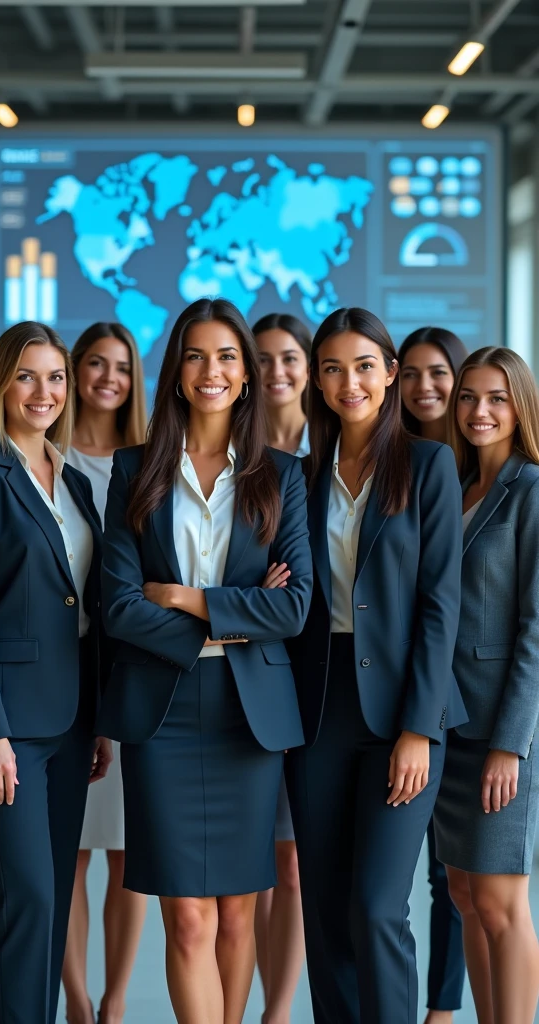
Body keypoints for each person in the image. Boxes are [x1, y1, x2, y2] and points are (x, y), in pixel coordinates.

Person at [95, 298, 313, 1024]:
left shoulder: (282, 477)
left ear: (246, 376)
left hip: (247, 719)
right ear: (177, 373)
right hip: (163, 714)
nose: (212, 370)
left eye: (226, 357)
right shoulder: (135, 470)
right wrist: (230, 616)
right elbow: (119, 605)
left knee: (239, 916)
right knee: (188, 919)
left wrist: (188, 599)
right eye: (196, 356)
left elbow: (294, 609)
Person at [286, 307, 467, 1024]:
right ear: (317, 382)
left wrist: (420, 729)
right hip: (317, 704)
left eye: (364, 365)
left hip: (403, 710)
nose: (348, 381)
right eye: (332, 368)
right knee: (326, 908)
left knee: (375, 906)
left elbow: (439, 604)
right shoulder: (298, 476)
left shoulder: (428, 466)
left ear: (390, 374)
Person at [0, 321, 112, 1024]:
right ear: (3, 384)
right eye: (28, 376)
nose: (46, 392)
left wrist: (97, 719)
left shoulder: (72, 482)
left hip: (71, 723)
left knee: (52, 900)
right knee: (26, 896)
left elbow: (86, 610)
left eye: (56, 377)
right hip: (6, 726)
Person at [434, 347, 539, 1024]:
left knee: (503, 903)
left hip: (497, 731)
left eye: (497, 398)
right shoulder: (455, 487)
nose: (479, 411)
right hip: (445, 722)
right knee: (466, 896)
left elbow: (536, 628)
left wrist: (511, 744)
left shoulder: (530, 489)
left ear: (520, 405)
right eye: (468, 396)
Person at [62, 322, 148, 1024]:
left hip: (129, 676)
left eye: (121, 366)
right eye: (95, 363)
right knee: (69, 861)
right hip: (64, 673)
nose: (108, 378)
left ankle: (116, 1005)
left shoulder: (148, 463)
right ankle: (79, 1000)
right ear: (74, 370)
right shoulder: (44, 456)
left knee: (124, 855)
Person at [398, 326, 469, 1024]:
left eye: (439, 374)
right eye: (411, 374)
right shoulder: (401, 463)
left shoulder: (480, 462)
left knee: (453, 874)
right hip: (411, 687)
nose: (425, 389)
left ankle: (442, 1010)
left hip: (468, 692)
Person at [251, 312, 312, 1024]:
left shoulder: (332, 445)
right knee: (253, 862)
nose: (276, 372)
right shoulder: (234, 450)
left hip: (316, 672)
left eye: (290, 357)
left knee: (293, 866)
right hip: (252, 667)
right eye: (261, 359)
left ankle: (278, 1010)